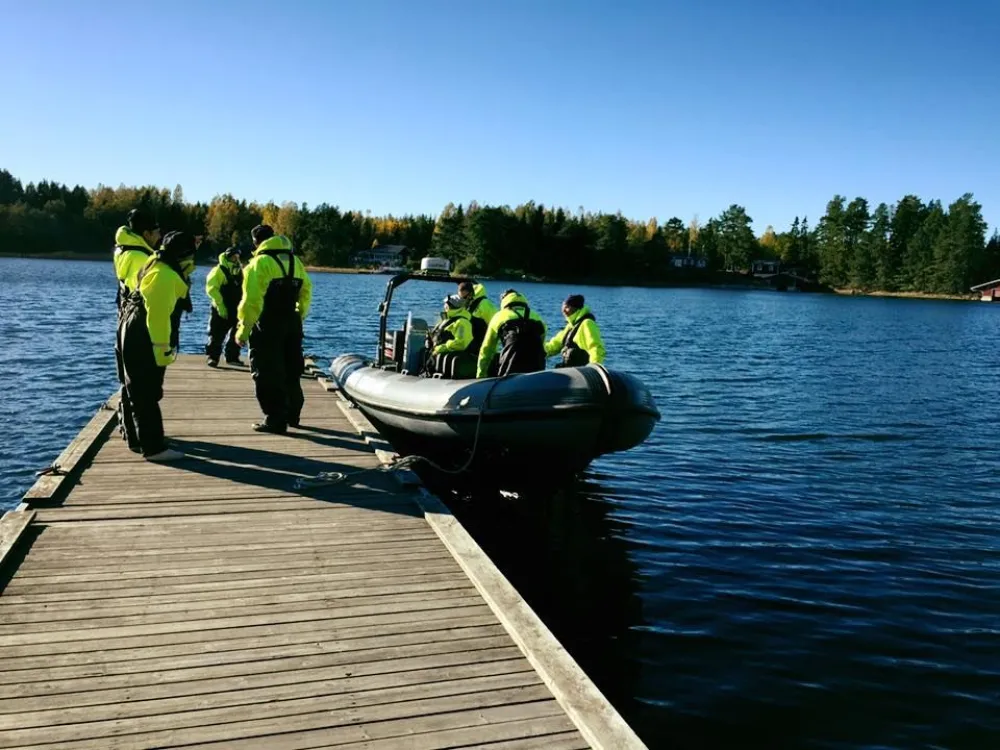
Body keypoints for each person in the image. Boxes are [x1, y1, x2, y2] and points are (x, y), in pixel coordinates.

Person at [116, 231, 196, 461]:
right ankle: (153, 449)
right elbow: (158, 318)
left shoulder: (159, 265)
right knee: (145, 392)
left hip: (133, 327)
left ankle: (144, 440)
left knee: (143, 390)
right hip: (141, 333)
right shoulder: (164, 275)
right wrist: (162, 351)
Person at [236, 224, 313, 433]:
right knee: (292, 370)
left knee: (267, 371)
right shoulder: (295, 262)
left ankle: (275, 420)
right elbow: (306, 292)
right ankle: (293, 415)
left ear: (256, 242)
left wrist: (242, 331)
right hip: (293, 323)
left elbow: (251, 302)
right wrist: (299, 314)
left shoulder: (257, 264)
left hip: (268, 325)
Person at [112, 208, 161, 451]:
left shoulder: (122, 249)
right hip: (138, 322)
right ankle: (146, 442)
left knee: (127, 379)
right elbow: (148, 292)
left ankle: (131, 433)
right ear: (145, 232)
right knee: (142, 383)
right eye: (156, 230)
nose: (159, 234)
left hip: (123, 316)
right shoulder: (142, 257)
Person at [476, 289, 547, 378]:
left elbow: (487, 350)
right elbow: (542, 348)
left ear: (504, 300)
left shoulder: (499, 316)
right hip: (537, 370)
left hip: (511, 369)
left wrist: (480, 376)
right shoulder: (537, 317)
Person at [204, 246, 245, 366]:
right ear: (227, 257)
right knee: (216, 334)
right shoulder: (218, 270)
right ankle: (213, 357)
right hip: (221, 307)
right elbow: (212, 289)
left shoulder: (241, 270)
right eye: (233, 256)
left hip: (237, 308)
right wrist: (220, 305)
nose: (235, 259)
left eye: (237, 256)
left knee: (236, 333)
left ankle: (232, 357)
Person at [544, 294, 606, 367]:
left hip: (581, 372)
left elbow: (596, 347)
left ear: (576, 308)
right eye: (563, 307)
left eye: (567, 307)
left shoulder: (587, 324)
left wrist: (594, 368)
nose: (563, 310)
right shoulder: (570, 326)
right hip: (569, 370)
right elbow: (553, 346)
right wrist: (534, 352)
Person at [423, 294, 475, 379]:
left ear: (450, 306)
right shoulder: (446, 319)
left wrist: (441, 348)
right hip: (434, 356)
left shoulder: (462, 322)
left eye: (446, 304)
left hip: (444, 360)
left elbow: (461, 343)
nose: (444, 306)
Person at [456, 280, 497, 357]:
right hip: (467, 343)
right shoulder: (466, 304)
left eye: (464, 298)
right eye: (460, 298)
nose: (462, 300)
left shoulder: (485, 304)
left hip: (482, 346)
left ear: (471, 294)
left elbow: (495, 328)